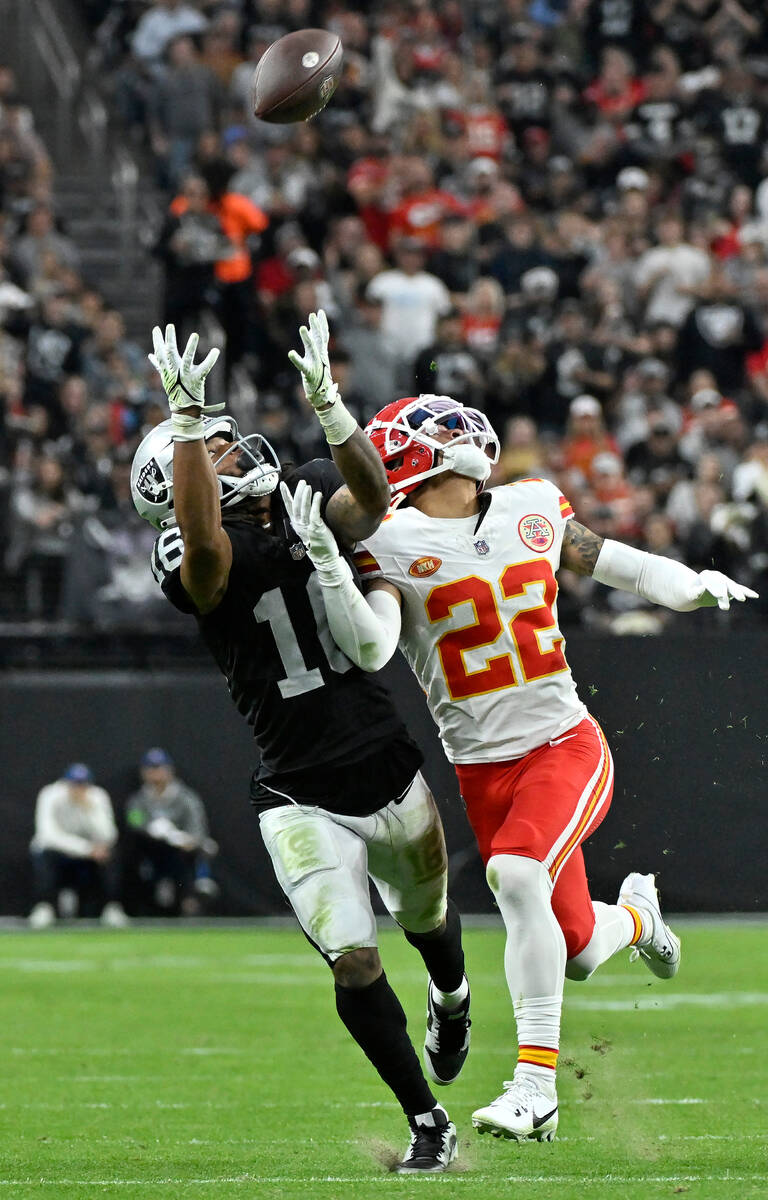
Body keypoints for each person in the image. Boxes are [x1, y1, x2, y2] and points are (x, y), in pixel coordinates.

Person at [279, 392, 758, 1144]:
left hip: (563, 744)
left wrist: (688, 584)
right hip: (482, 772)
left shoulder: (530, 505)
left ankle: (536, 1088)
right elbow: (375, 647)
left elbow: (616, 564)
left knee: (516, 876)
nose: (457, 434)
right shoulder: (389, 540)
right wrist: (328, 569)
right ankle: (636, 917)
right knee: (575, 951)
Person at [129, 317, 468, 1173]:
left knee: (429, 923)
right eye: (212, 451)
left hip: (382, 756)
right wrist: (185, 424)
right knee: (354, 962)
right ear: (178, 482)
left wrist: (332, 409)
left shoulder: (301, 490)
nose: (234, 450)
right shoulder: (186, 548)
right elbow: (207, 556)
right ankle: (427, 1120)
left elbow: (372, 499)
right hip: (296, 788)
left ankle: (452, 995)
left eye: (222, 443)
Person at [29, 763, 127, 928]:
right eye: (74, 784)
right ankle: (44, 907)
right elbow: (47, 835)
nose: (78, 788)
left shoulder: (97, 796)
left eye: (82, 784)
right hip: (60, 854)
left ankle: (111, 908)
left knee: (111, 854)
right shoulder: (50, 795)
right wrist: (87, 849)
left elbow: (109, 835)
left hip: (88, 858)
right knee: (43, 853)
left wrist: (89, 809)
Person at [124, 747, 217, 915]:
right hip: (151, 849)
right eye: (151, 769)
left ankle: (198, 887)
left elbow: (197, 828)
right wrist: (152, 829)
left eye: (159, 768)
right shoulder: (138, 799)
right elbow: (134, 822)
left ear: (169, 770)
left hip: (180, 852)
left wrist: (185, 839)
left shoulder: (186, 798)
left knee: (201, 850)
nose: (155, 773)